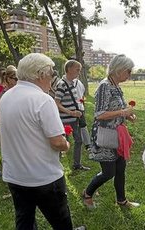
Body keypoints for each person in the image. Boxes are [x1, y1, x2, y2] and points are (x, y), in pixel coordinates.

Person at [0, 53, 83, 230]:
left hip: (14, 174)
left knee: (24, 219)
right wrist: (66, 145)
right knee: (61, 221)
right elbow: (57, 142)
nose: (53, 78)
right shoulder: (43, 100)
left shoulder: (6, 96)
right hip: (43, 177)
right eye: (52, 73)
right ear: (40, 74)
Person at [82, 54, 139, 209]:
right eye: (128, 71)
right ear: (119, 70)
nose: (130, 74)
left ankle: (122, 200)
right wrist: (122, 113)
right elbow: (99, 114)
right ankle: (87, 194)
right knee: (108, 173)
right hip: (105, 135)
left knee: (120, 169)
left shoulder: (116, 87)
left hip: (118, 135)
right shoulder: (105, 86)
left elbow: (121, 108)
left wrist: (129, 114)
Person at [54, 60, 90, 171]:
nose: (79, 72)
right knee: (62, 143)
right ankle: (56, 166)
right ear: (69, 69)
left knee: (79, 140)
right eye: (77, 69)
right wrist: (71, 112)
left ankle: (77, 164)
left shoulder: (72, 83)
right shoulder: (61, 84)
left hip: (74, 119)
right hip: (65, 120)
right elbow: (56, 103)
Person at [72, 76, 93, 158]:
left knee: (79, 126)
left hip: (75, 108)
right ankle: (87, 144)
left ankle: (86, 144)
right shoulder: (80, 83)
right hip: (80, 107)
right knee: (82, 126)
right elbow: (83, 95)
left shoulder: (72, 82)